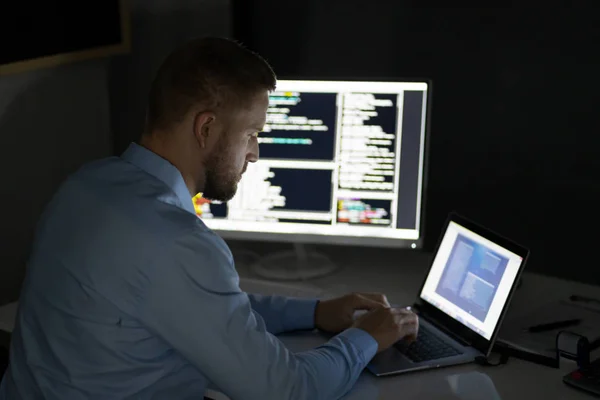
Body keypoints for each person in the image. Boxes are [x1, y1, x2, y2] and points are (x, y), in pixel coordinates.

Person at [0, 37, 419, 400]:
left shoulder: (85, 186)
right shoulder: (175, 242)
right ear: (206, 129)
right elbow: (290, 390)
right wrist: (369, 336)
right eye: (252, 134)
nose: (255, 153)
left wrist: (313, 312)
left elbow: (196, 307)